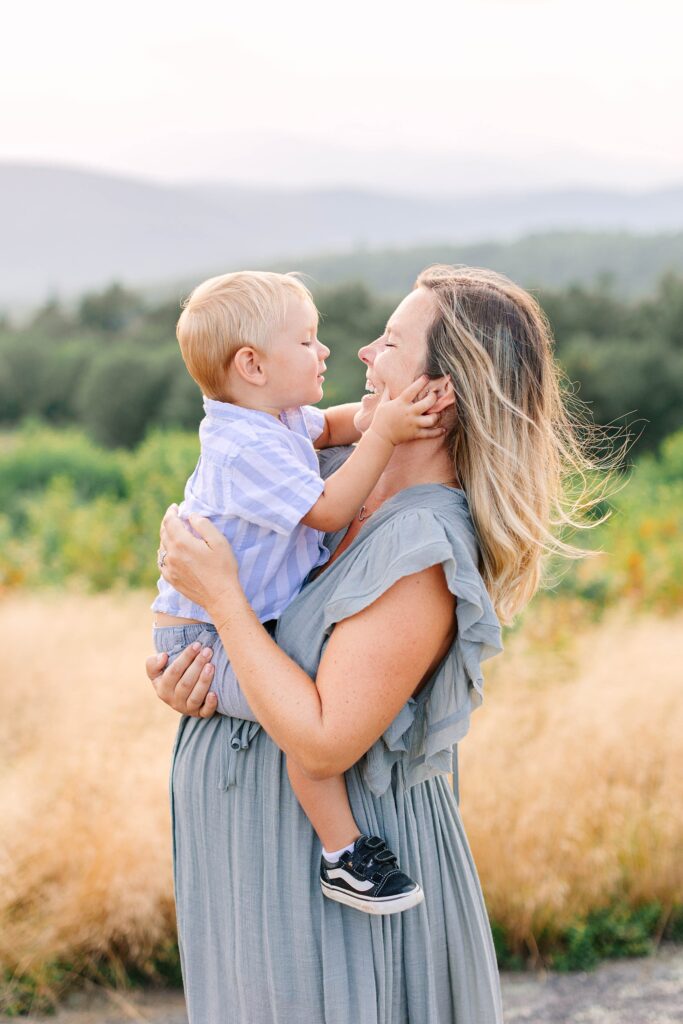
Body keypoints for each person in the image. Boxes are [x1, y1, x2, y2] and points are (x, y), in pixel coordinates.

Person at [148, 265, 613, 1024]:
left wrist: (221, 603)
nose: (362, 352)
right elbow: (266, 631)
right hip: (253, 872)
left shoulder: (420, 545)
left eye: (390, 342)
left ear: (439, 393)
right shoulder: (334, 477)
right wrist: (193, 676)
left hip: (332, 909)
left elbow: (325, 740)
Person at [152, 270, 443, 914]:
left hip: (220, 620)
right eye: (308, 342)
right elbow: (332, 508)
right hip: (201, 636)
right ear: (252, 364)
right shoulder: (244, 449)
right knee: (305, 717)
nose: (328, 353)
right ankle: (344, 854)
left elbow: (332, 428)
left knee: (304, 697)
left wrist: (370, 418)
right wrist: (388, 433)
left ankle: (341, 852)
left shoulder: (269, 420)